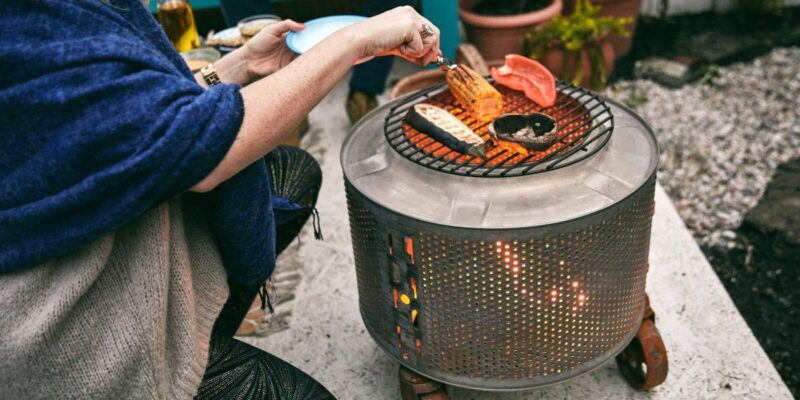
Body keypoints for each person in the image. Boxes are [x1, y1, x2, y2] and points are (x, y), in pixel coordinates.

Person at [0, 0, 441, 399]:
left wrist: (241, 64)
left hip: (148, 234)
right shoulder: (29, 23)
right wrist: (355, 39)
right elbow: (202, 151)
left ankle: (208, 326)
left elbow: (130, 110)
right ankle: (186, 359)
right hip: (77, 327)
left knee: (292, 173)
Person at [219, 0, 415, 124]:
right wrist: (354, 40)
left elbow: (197, 87)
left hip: (210, 84)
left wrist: (244, 61)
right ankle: (286, 112)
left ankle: (364, 93)